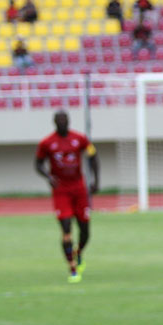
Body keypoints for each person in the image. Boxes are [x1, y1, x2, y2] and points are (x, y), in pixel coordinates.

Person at [34, 110, 100, 283]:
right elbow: (38, 164)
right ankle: (72, 268)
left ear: (69, 121)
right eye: (59, 120)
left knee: (85, 230)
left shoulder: (80, 139)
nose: (62, 123)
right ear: (54, 123)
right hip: (61, 190)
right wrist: (48, 176)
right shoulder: (47, 143)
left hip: (79, 188)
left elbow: (93, 156)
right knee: (66, 230)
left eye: (65, 120)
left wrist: (95, 180)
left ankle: (78, 253)